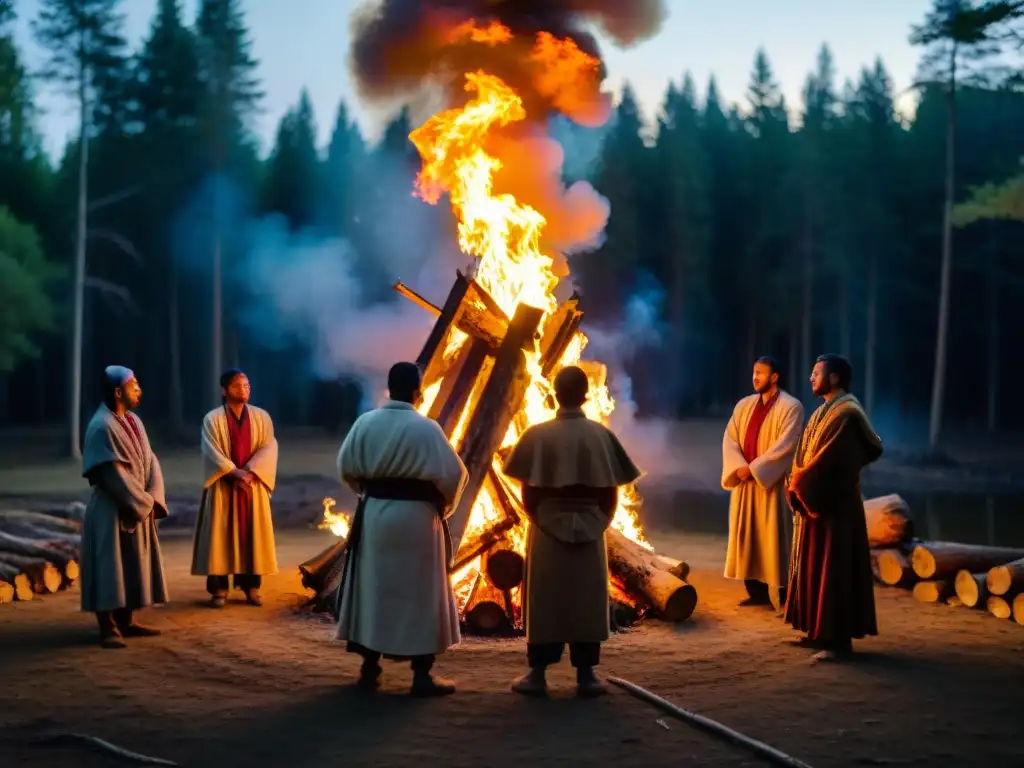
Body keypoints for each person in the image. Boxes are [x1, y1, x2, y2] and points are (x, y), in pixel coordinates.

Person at [502, 365, 642, 698]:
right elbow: (611, 492)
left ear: (552, 394)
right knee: (585, 600)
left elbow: (528, 492)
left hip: (545, 527)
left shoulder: (536, 435)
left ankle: (537, 674)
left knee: (545, 600)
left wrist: (543, 519)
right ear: (586, 395)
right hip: (592, 525)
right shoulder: (601, 436)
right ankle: (586, 675)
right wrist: (598, 521)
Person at [335, 362, 467, 697]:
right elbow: (455, 476)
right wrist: (442, 507)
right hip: (418, 521)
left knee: (373, 589)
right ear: (416, 391)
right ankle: (421, 676)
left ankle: (369, 669)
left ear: (389, 389)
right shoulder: (427, 428)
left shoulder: (366, 422)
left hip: (376, 516)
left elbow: (346, 467)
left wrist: (370, 494)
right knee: (420, 594)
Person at [785, 354, 883, 662]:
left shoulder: (847, 413)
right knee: (816, 566)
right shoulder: (822, 412)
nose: (811, 378)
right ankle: (817, 632)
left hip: (836, 506)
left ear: (836, 377)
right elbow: (803, 455)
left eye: (817, 373)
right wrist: (796, 483)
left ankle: (838, 641)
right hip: (817, 502)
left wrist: (800, 485)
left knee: (834, 568)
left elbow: (831, 461)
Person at [80, 366, 169, 648]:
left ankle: (126, 620)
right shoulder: (101, 426)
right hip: (111, 508)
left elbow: (151, 461)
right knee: (109, 566)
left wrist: (153, 496)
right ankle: (108, 627)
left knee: (132, 564)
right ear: (118, 392)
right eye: (135, 386)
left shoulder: (133, 421)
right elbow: (110, 474)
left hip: (136, 504)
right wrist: (143, 503)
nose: (139, 391)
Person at [721, 355, 804, 611]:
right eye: (754, 372)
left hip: (771, 483)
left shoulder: (791, 407)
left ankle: (784, 592)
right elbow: (730, 438)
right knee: (747, 536)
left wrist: (754, 469)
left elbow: (786, 446)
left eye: (761, 373)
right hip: (745, 483)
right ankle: (755, 592)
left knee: (774, 536)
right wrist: (738, 468)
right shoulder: (744, 405)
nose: (755, 377)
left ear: (774, 377)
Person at [191, 369, 279, 608]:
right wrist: (233, 471)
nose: (244, 390)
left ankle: (252, 587)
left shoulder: (262, 417)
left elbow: (269, 446)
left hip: (252, 484)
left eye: (247, 385)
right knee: (220, 535)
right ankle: (219, 588)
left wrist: (250, 471)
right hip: (223, 485)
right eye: (238, 386)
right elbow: (211, 450)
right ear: (224, 390)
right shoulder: (213, 419)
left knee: (253, 534)